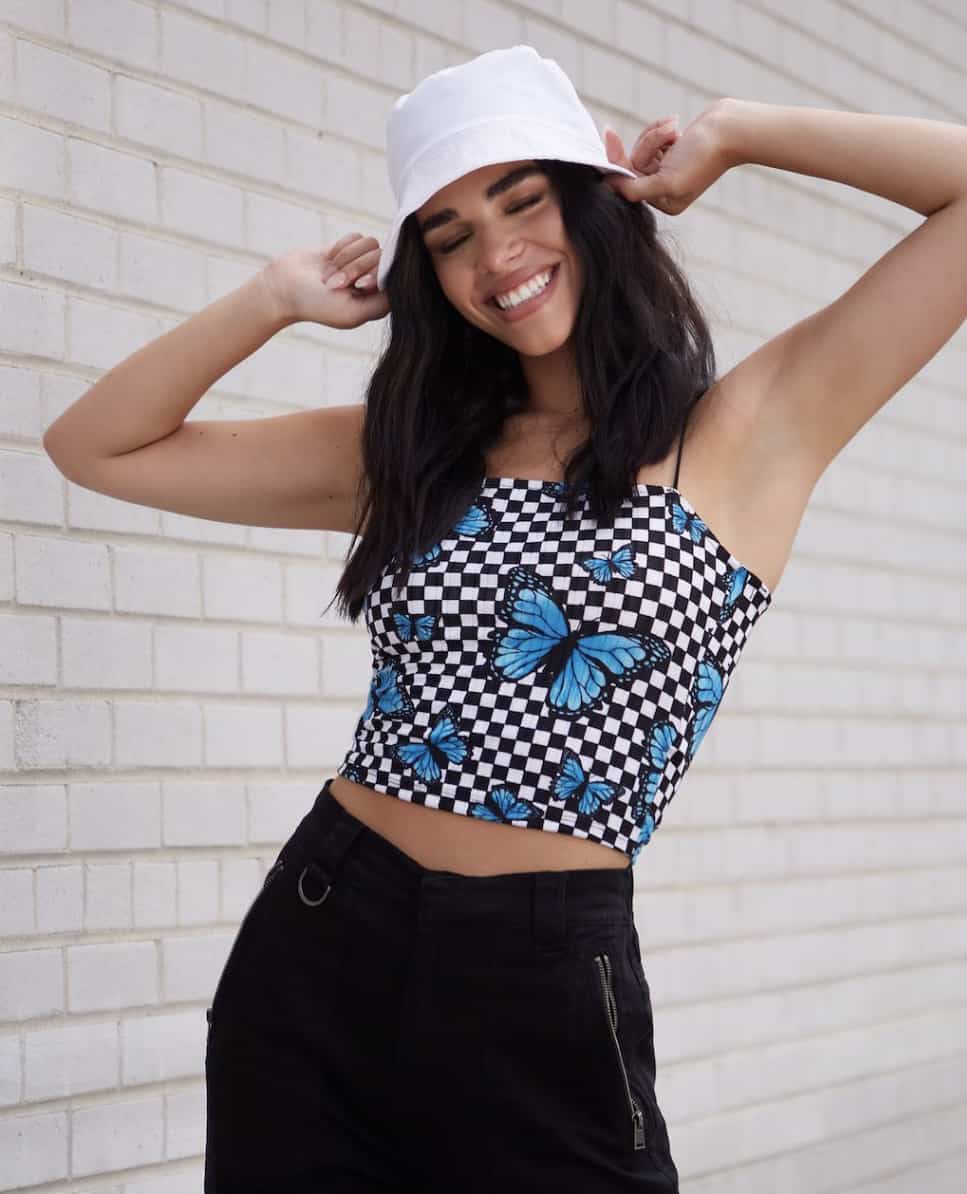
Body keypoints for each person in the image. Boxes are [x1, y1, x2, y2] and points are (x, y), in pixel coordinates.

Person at [42, 41, 967, 1194]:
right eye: (449, 235)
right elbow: (94, 447)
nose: (498, 254)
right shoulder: (410, 458)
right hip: (329, 934)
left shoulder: (744, 437)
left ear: (597, 206)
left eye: (522, 201)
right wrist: (272, 302)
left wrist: (738, 129)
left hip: (546, 974)